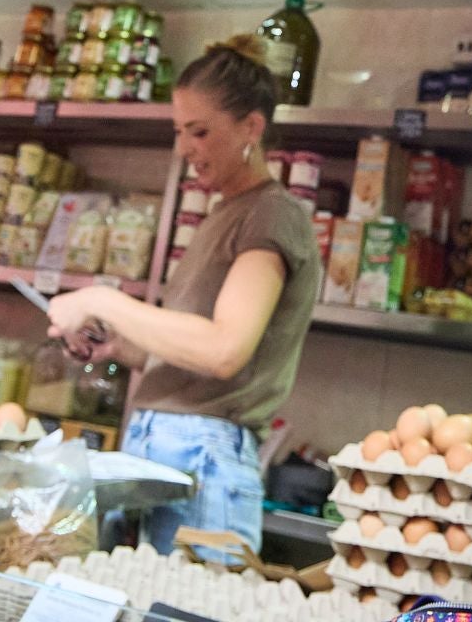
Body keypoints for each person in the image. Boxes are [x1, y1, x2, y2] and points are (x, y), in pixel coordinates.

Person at [48, 35, 319, 554]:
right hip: (168, 448)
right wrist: (122, 348)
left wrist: (102, 299)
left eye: (199, 131)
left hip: (205, 457)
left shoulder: (272, 213)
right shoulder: (225, 213)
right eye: (179, 132)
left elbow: (224, 350)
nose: (183, 149)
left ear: (251, 128)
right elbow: (194, 354)